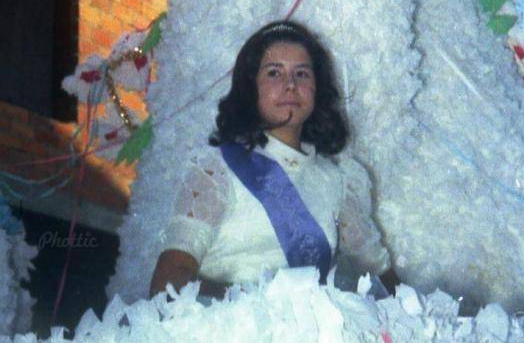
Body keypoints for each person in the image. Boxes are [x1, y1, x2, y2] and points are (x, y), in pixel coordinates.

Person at [149, 20, 398, 300]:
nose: (290, 85)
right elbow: (169, 282)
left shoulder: (338, 181)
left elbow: (380, 275)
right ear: (250, 86)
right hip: (224, 323)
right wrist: (266, 304)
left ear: (317, 88)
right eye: (274, 73)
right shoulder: (216, 169)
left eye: (302, 74)